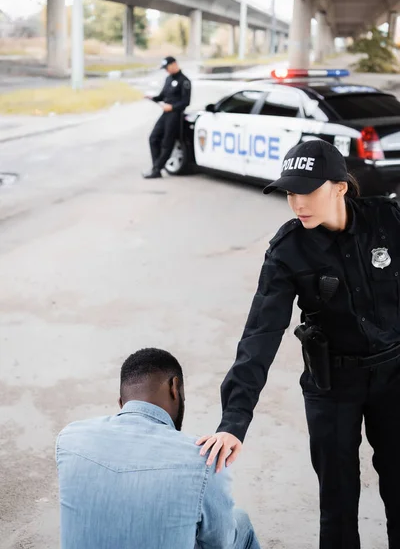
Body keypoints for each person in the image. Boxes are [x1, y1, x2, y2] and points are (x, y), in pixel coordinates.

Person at [197, 139, 400, 549]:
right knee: (338, 502)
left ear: (340, 186)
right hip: (333, 386)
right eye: (290, 192)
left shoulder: (388, 219)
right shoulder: (288, 249)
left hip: (394, 377)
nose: (297, 203)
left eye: (307, 191)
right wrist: (234, 419)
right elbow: (260, 333)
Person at [56, 348, 260, 549]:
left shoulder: (70, 439)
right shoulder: (204, 461)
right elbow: (220, 544)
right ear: (174, 387)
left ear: (121, 403)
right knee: (240, 524)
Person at [143, 56, 191, 179]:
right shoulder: (168, 79)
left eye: (167, 67)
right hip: (165, 114)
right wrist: (152, 98)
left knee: (167, 142)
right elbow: (162, 96)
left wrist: (173, 107)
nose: (166, 70)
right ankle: (156, 166)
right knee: (153, 138)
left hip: (175, 115)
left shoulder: (184, 81)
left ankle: (157, 169)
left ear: (174, 64)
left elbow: (186, 102)